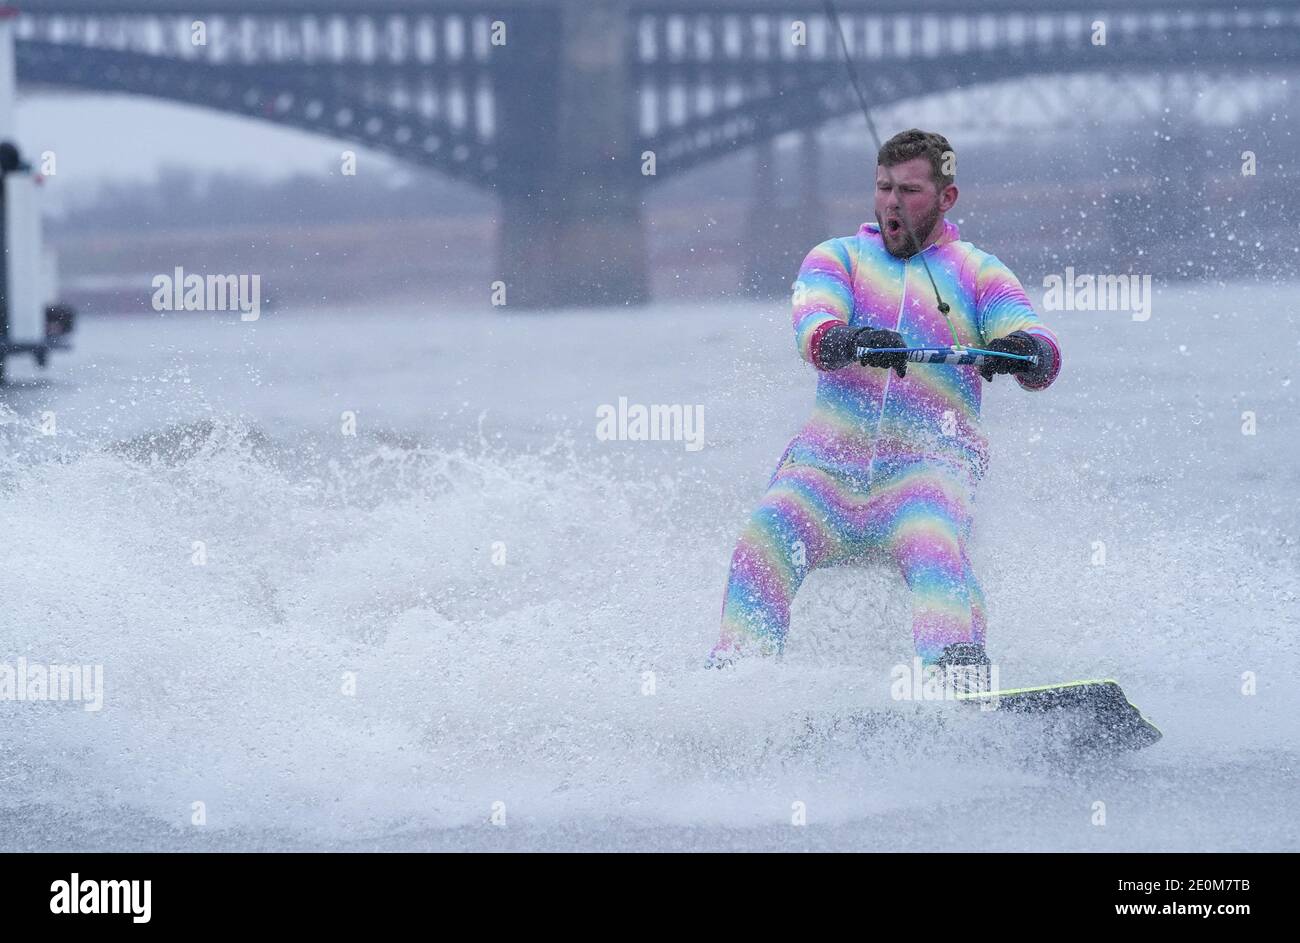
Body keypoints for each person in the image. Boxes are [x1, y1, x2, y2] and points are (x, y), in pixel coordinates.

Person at [707, 129, 1061, 686]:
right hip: (825, 473)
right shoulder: (838, 258)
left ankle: (957, 684)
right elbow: (813, 325)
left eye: (911, 191)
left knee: (934, 544)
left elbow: (1037, 342)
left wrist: (1025, 353)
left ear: (947, 198)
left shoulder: (977, 272)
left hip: (928, 472)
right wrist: (846, 339)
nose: (893, 203)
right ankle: (736, 687)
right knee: (764, 538)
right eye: (884, 188)